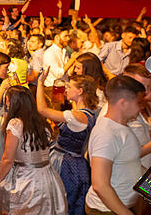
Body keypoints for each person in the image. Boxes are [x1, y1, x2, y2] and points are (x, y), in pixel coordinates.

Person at [0, 86, 67, 215]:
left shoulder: (16, 123)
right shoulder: (42, 122)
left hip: (27, 181)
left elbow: (7, 159)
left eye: (7, 100)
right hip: (48, 178)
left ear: (12, 103)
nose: (6, 103)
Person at [37, 71, 99, 215]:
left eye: (70, 87)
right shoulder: (86, 112)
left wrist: (40, 83)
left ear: (80, 91)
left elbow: (41, 109)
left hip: (67, 165)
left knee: (63, 203)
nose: (66, 89)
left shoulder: (77, 116)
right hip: (74, 162)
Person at [85, 76, 146, 214]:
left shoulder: (121, 127)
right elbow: (100, 185)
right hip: (107, 210)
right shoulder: (106, 133)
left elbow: (130, 163)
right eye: (139, 102)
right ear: (123, 103)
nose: (142, 107)